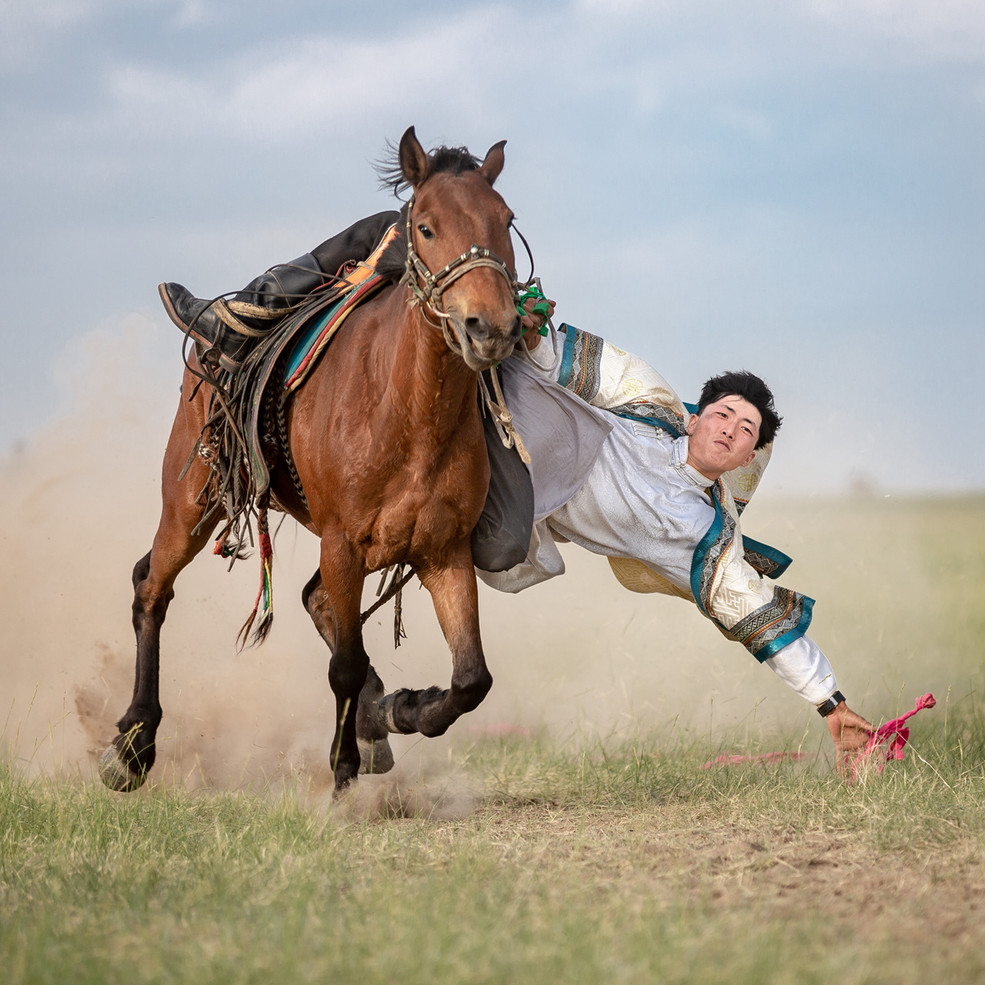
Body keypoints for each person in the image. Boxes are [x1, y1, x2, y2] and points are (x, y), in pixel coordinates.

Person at [158, 213, 874, 765]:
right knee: (400, 233)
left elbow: (752, 614)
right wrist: (521, 317)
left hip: (510, 493)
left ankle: (371, 668)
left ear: (750, 452)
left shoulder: (702, 536)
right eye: (721, 412)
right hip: (489, 382)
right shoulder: (651, 399)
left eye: (744, 429)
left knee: (483, 545)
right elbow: (559, 350)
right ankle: (241, 314)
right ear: (698, 410)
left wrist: (830, 703)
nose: (727, 428)